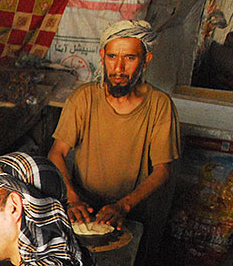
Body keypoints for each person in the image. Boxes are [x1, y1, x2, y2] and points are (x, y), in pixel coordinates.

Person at [48, 20, 180, 251]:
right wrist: (72, 197)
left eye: (129, 58)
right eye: (112, 57)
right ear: (102, 56)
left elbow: (162, 170)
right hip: (84, 209)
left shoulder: (160, 105)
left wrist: (124, 206)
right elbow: (57, 153)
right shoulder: (84, 98)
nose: (118, 68)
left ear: (145, 61)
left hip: (134, 212)